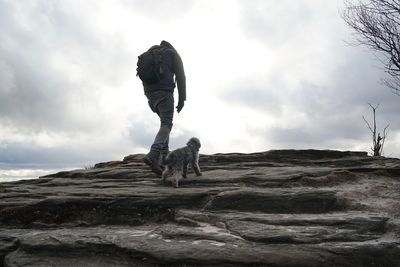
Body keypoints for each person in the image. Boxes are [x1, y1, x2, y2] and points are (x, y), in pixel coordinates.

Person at [141, 40, 186, 175]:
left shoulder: (149, 54)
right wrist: (182, 99)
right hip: (165, 93)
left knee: (163, 125)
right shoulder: (172, 53)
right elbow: (181, 76)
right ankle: (154, 153)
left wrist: (150, 96)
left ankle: (161, 160)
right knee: (167, 124)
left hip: (150, 95)